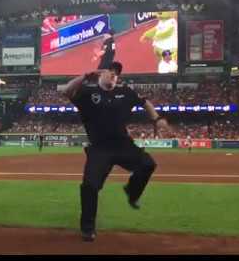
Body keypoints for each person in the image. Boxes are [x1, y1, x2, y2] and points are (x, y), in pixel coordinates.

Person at [62, 61, 171, 242]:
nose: (113, 75)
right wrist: (84, 77)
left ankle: (132, 192)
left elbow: (145, 102)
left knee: (148, 164)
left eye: (116, 73)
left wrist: (157, 119)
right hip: (99, 148)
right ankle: (87, 229)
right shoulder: (88, 94)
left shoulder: (125, 92)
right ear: (100, 74)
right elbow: (66, 91)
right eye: (110, 71)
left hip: (122, 145)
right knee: (89, 186)